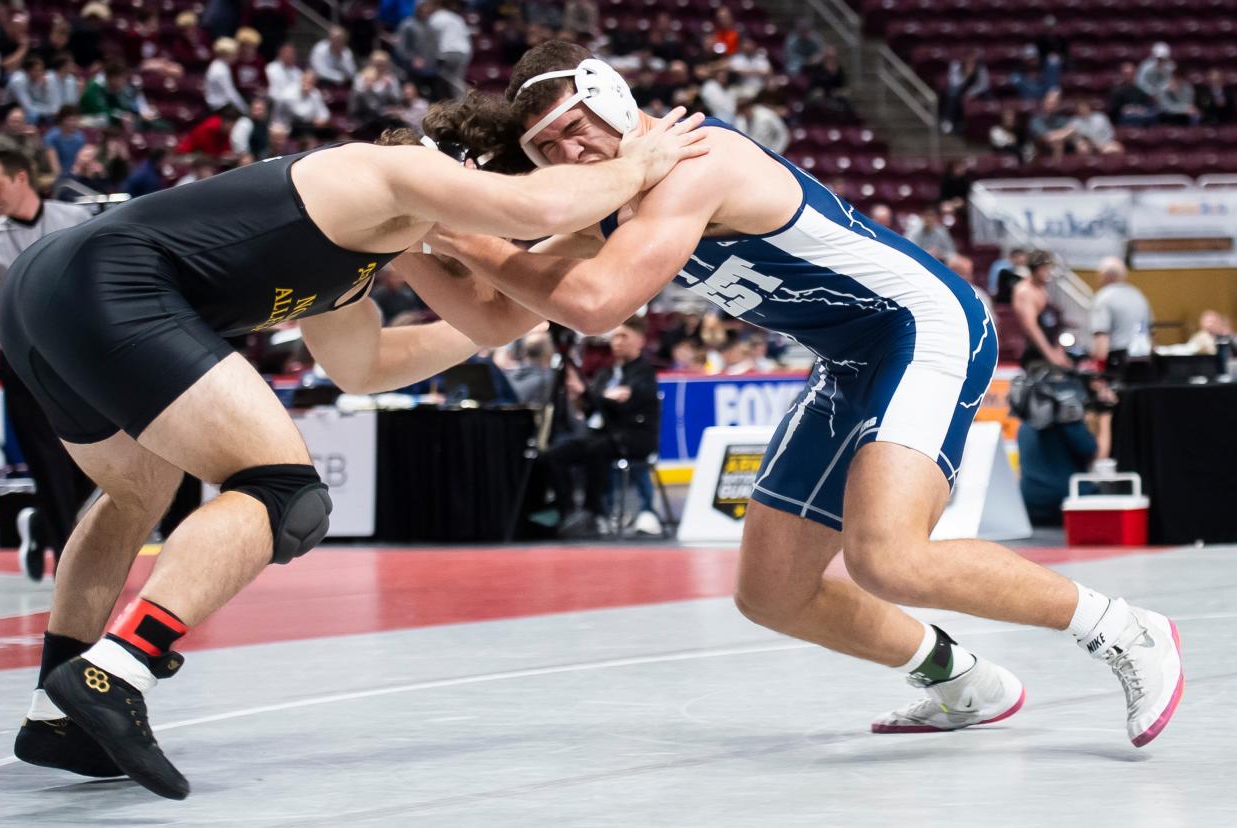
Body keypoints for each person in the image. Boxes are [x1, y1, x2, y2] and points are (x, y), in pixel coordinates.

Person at [422, 41, 1183, 751]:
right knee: (773, 593)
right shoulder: (609, 208)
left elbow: (595, 306)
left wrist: (453, 228)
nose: (568, 155)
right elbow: (492, 319)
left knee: (889, 557)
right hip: (849, 358)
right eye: (546, 150)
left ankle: (1123, 629)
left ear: (611, 99)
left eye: (573, 129)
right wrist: (413, 240)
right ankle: (962, 680)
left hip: (922, 325)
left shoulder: (699, 158)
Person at [3, 109, 706, 797]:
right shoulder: (388, 170)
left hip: (39, 294)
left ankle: (57, 716)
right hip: (109, 285)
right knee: (284, 492)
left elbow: (368, 366)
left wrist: (551, 269)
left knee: (134, 495)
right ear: (467, 174)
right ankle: (120, 666)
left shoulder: (355, 254)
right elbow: (533, 205)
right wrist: (634, 168)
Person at [0, 148, 96, 582]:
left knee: (103, 450)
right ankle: (68, 556)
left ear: (22, 178)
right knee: (45, 458)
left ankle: (43, 525)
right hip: (22, 359)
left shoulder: (75, 219)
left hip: (78, 356)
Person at [543, 316, 660, 538]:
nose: (617, 342)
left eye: (623, 336)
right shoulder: (606, 374)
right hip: (604, 434)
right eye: (614, 336)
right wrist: (583, 398)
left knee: (596, 449)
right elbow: (594, 408)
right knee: (556, 453)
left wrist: (594, 395)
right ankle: (568, 511)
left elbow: (626, 406)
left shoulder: (644, 371)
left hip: (634, 437)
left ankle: (595, 511)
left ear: (640, 340)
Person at [1013, 367, 1097, 526]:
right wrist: (1105, 418)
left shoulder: (1024, 426)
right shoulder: (1070, 424)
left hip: (1030, 508)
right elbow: (1096, 455)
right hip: (1067, 506)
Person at [1089, 256, 1152, 373]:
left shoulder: (1103, 297)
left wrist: (1098, 371)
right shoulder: (1139, 296)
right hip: (1144, 359)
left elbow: (1102, 337)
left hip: (1117, 360)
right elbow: (1151, 333)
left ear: (1104, 276)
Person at [1013, 250, 1071, 369]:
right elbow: (1031, 328)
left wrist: (1059, 351)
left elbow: (1054, 327)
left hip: (1051, 350)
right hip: (1037, 355)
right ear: (1035, 269)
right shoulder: (1026, 291)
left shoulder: (1042, 289)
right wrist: (1051, 355)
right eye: (1045, 269)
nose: (1048, 272)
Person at [204, 37, 248, 114]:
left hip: (220, 104)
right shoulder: (220, 70)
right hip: (218, 106)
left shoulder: (220, 65)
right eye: (235, 54)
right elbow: (230, 93)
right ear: (227, 54)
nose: (237, 56)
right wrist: (244, 109)